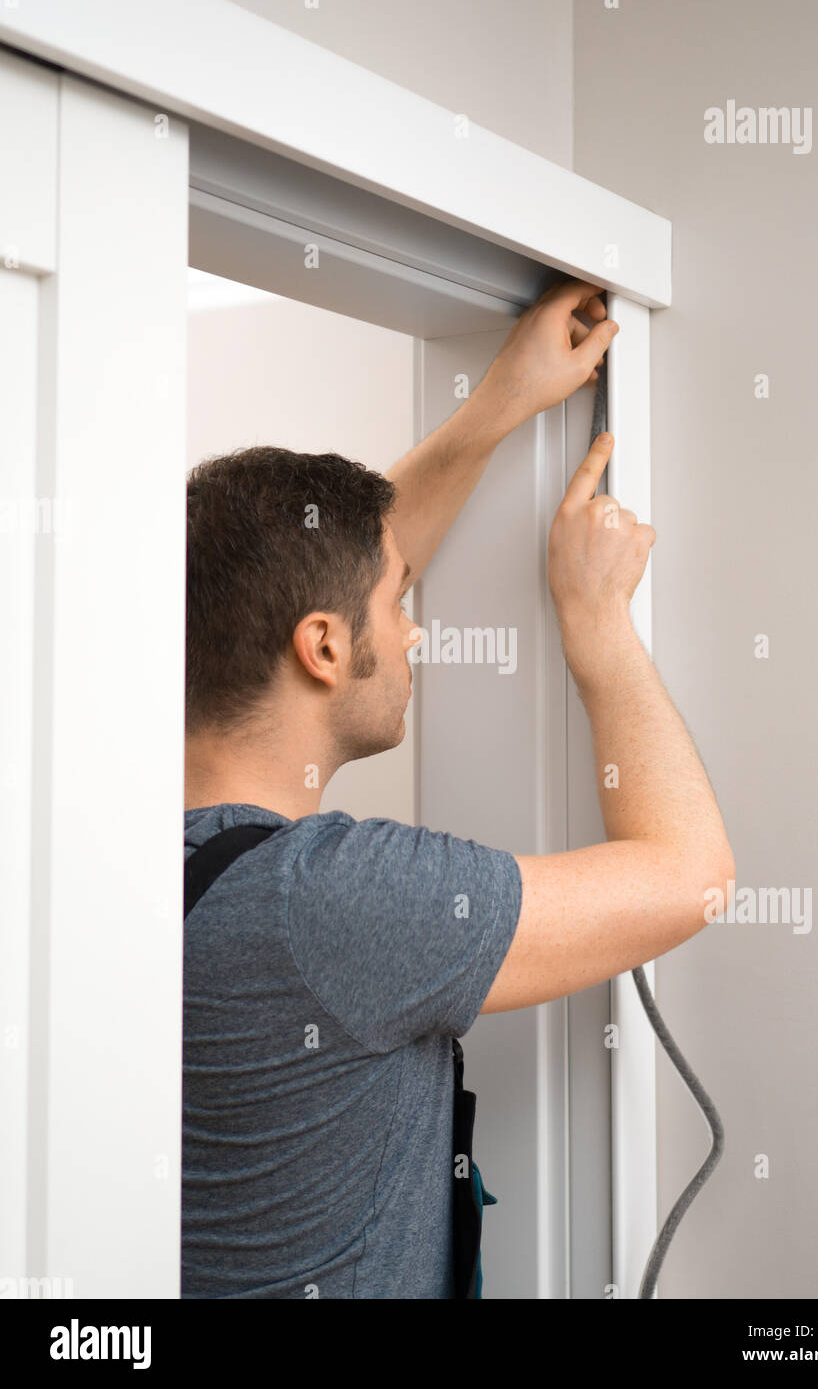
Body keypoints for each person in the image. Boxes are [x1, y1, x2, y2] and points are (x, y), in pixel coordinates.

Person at [182, 279, 735, 1298]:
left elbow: (315, 586)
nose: (419, 623)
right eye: (403, 601)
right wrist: (598, 620)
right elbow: (692, 874)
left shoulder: (113, 841)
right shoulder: (335, 901)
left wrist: (497, 407)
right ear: (322, 645)